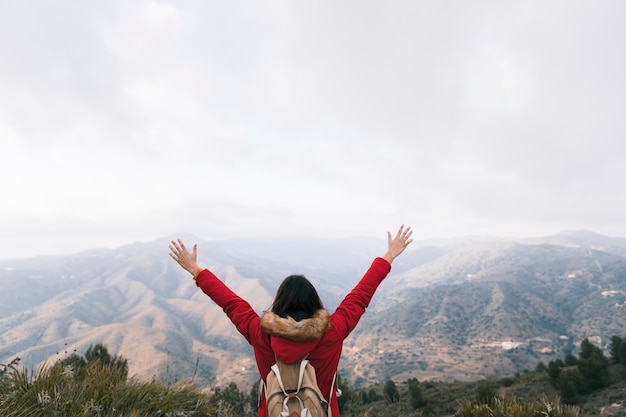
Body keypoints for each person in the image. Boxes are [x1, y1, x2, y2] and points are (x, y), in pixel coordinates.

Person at [169, 225, 413, 417]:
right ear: (315, 302)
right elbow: (360, 297)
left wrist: (196, 270)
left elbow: (231, 303)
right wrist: (389, 255)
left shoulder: (259, 333)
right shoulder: (333, 331)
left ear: (279, 303)